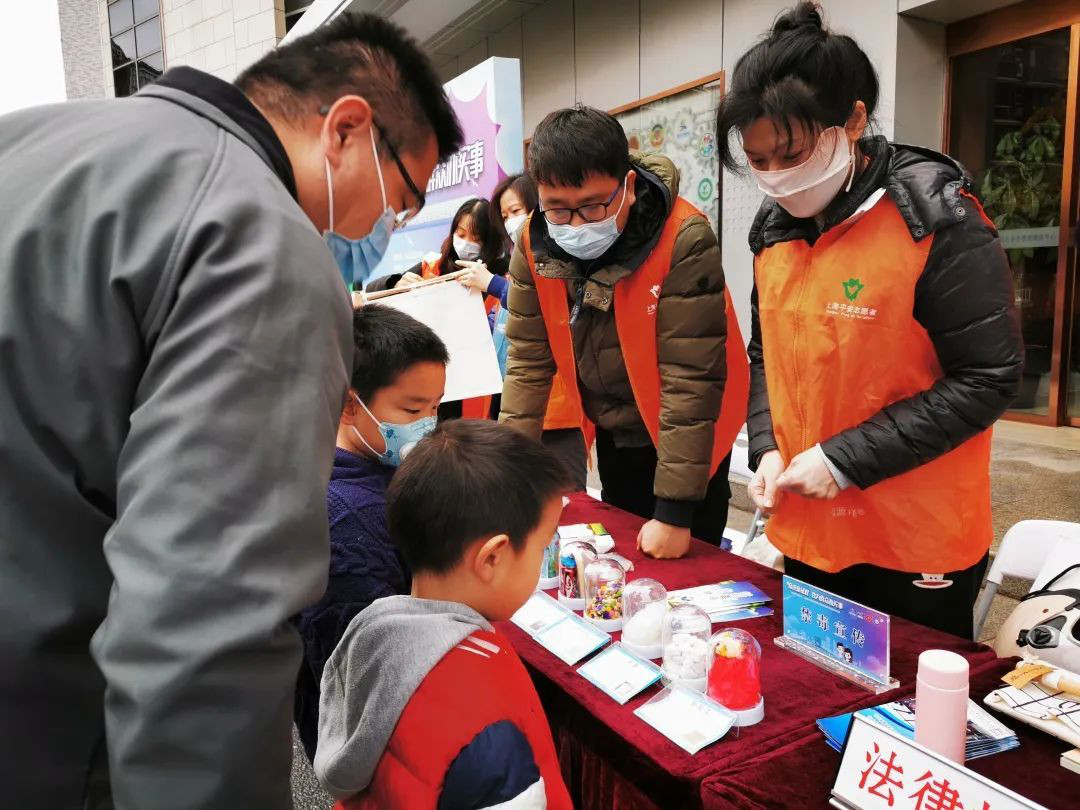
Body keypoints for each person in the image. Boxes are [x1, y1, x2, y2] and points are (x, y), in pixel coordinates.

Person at [0, 12, 462, 808]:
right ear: (346, 129)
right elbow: (206, 619)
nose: (385, 228)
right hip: (49, 729)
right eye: (401, 198)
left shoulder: (31, 141)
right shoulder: (261, 242)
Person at [716, 2, 1023, 638]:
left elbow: (988, 377)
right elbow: (766, 355)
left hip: (913, 539)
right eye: (758, 160)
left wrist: (844, 461)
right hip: (810, 525)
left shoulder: (936, 219)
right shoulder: (774, 229)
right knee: (813, 686)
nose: (775, 178)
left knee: (911, 694)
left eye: (792, 152)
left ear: (853, 121)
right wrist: (767, 445)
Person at [499, 106, 749, 558]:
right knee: (622, 559)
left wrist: (675, 511)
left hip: (692, 434)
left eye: (593, 206)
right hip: (615, 428)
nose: (576, 224)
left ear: (628, 186)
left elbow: (690, 381)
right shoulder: (532, 243)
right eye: (558, 208)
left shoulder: (682, 237)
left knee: (687, 564)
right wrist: (507, 476)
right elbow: (527, 364)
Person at [314, 420, 573, 809]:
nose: (541, 560)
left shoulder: (375, 630)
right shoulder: (491, 733)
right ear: (492, 558)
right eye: (542, 547)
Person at [293, 304, 448, 761]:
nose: (428, 423)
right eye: (412, 409)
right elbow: (367, 674)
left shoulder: (377, 465)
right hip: (376, 740)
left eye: (436, 407)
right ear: (349, 404)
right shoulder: (344, 521)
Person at [458, 173, 589, 489]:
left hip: (557, 410)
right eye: (504, 216)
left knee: (566, 498)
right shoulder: (516, 264)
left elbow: (551, 311)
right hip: (519, 407)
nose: (510, 223)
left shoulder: (562, 253)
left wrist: (493, 284)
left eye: (516, 211)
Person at [368, 197, 505, 291]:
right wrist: (396, 283)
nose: (465, 244)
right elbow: (371, 288)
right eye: (461, 234)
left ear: (490, 242)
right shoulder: (436, 264)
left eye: (476, 239)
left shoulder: (503, 274)